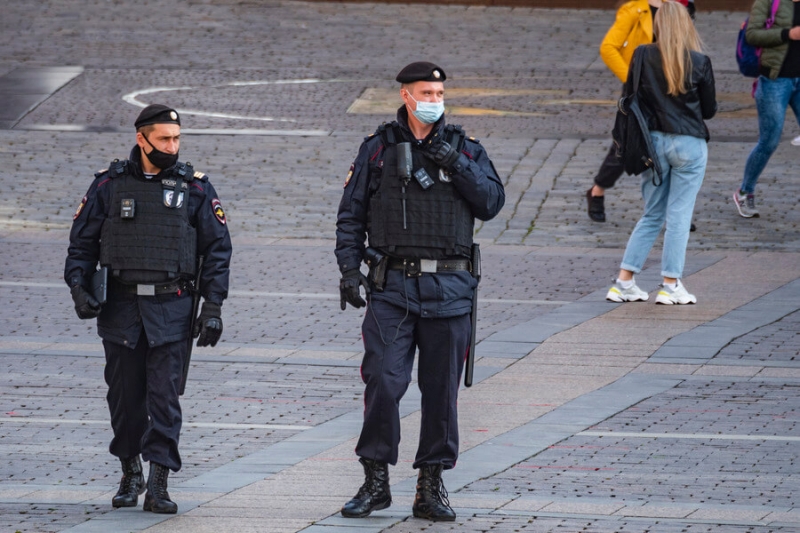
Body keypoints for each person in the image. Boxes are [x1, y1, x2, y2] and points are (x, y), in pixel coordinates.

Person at [335, 61, 505, 522]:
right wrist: (350, 270)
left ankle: (431, 484)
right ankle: (375, 480)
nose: (435, 100)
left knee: (440, 392)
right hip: (392, 287)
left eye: (439, 93)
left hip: (450, 287)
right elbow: (351, 214)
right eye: (426, 93)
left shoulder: (465, 149)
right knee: (384, 382)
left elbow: (491, 202)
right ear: (406, 96)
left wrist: (454, 163)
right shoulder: (377, 150)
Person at [65, 104, 232, 514]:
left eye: (176, 139)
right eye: (164, 139)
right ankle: (129, 471)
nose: (172, 147)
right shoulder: (108, 186)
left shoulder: (195, 189)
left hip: (170, 306)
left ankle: (159, 480)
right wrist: (79, 287)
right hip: (121, 307)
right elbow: (82, 244)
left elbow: (218, 250)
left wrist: (212, 307)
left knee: (164, 399)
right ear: (142, 139)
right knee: (124, 399)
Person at [604, 1, 716, 305]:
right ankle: (670, 284)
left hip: (652, 144)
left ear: (658, 25)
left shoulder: (641, 55)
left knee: (652, 214)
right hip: (689, 144)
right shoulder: (700, 61)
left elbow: (631, 96)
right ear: (686, 25)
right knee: (679, 215)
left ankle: (624, 281)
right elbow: (709, 110)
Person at [587, 0, 692, 223]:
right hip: (638, 89)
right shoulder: (635, 9)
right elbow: (608, 47)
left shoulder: (677, 8)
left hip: (669, 86)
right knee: (628, 143)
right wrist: (632, 77)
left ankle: (674, 210)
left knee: (672, 144)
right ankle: (598, 189)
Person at [733, 0, 800, 218]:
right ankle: (745, 191)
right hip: (774, 81)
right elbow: (752, 35)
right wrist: (787, 34)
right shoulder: (768, 1)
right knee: (769, 141)